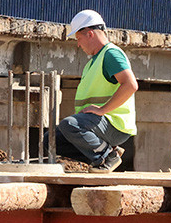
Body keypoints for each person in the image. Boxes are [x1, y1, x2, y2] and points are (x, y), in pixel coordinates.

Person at [54, 9, 138, 173]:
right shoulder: (94, 61)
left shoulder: (110, 54)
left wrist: (102, 110)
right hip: (98, 124)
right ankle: (105, 151)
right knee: (51, 141)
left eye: (79, 38)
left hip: (114, 123)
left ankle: (107, 156)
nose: (78, 44)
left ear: (90, 34)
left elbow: (131, 85)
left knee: (70, 125)